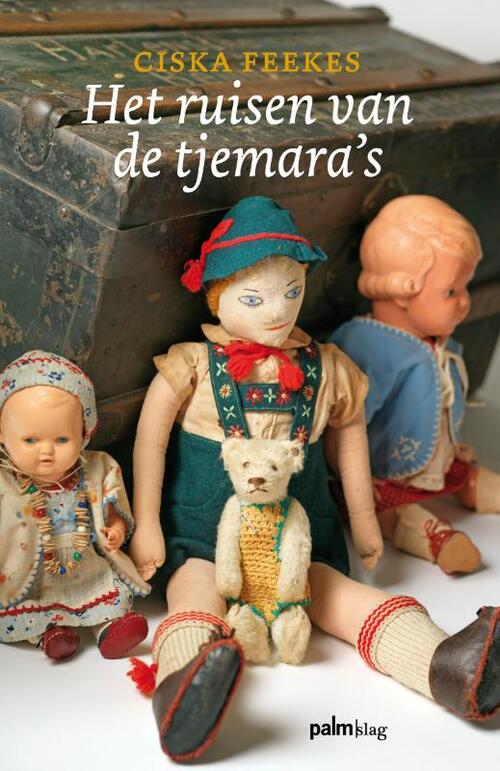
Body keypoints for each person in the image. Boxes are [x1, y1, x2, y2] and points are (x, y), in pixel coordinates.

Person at [130, 196, 500, 762]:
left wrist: (363, 522)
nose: (278, 311)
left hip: (297, 547)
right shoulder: (192, 365)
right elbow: (149, 442)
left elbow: (350, 439)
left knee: (347, 597)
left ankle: (446, 665)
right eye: (253, 298)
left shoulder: (326, 368)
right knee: (194, 594)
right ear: (217, 295)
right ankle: (183, 687)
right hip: (203, 538)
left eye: (292, 291)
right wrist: (147, 526)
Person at [332, 195, 499, 575]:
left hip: (436, 461)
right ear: (402, 291)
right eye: (451, 291)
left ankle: (481, 489)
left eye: (466, 288)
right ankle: (435, 539)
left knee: (465, 474)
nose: (465, 303)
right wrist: (350, 474)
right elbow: (345, 423)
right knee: (389, 509)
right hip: (382, 471)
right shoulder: (369, 347)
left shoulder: (436, 341)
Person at [0, 350, 150, 660]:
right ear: (2, 434)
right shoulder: (5, 482)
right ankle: (48, 635)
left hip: (85, 568)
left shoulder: (96, 470)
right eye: (30, 440)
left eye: (61, 440)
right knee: (25, 607)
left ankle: (109, 629)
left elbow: (114, 511)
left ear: (83, 433)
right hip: (30, 576)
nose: (46, 451)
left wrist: (116, 531)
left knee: (108, 595)